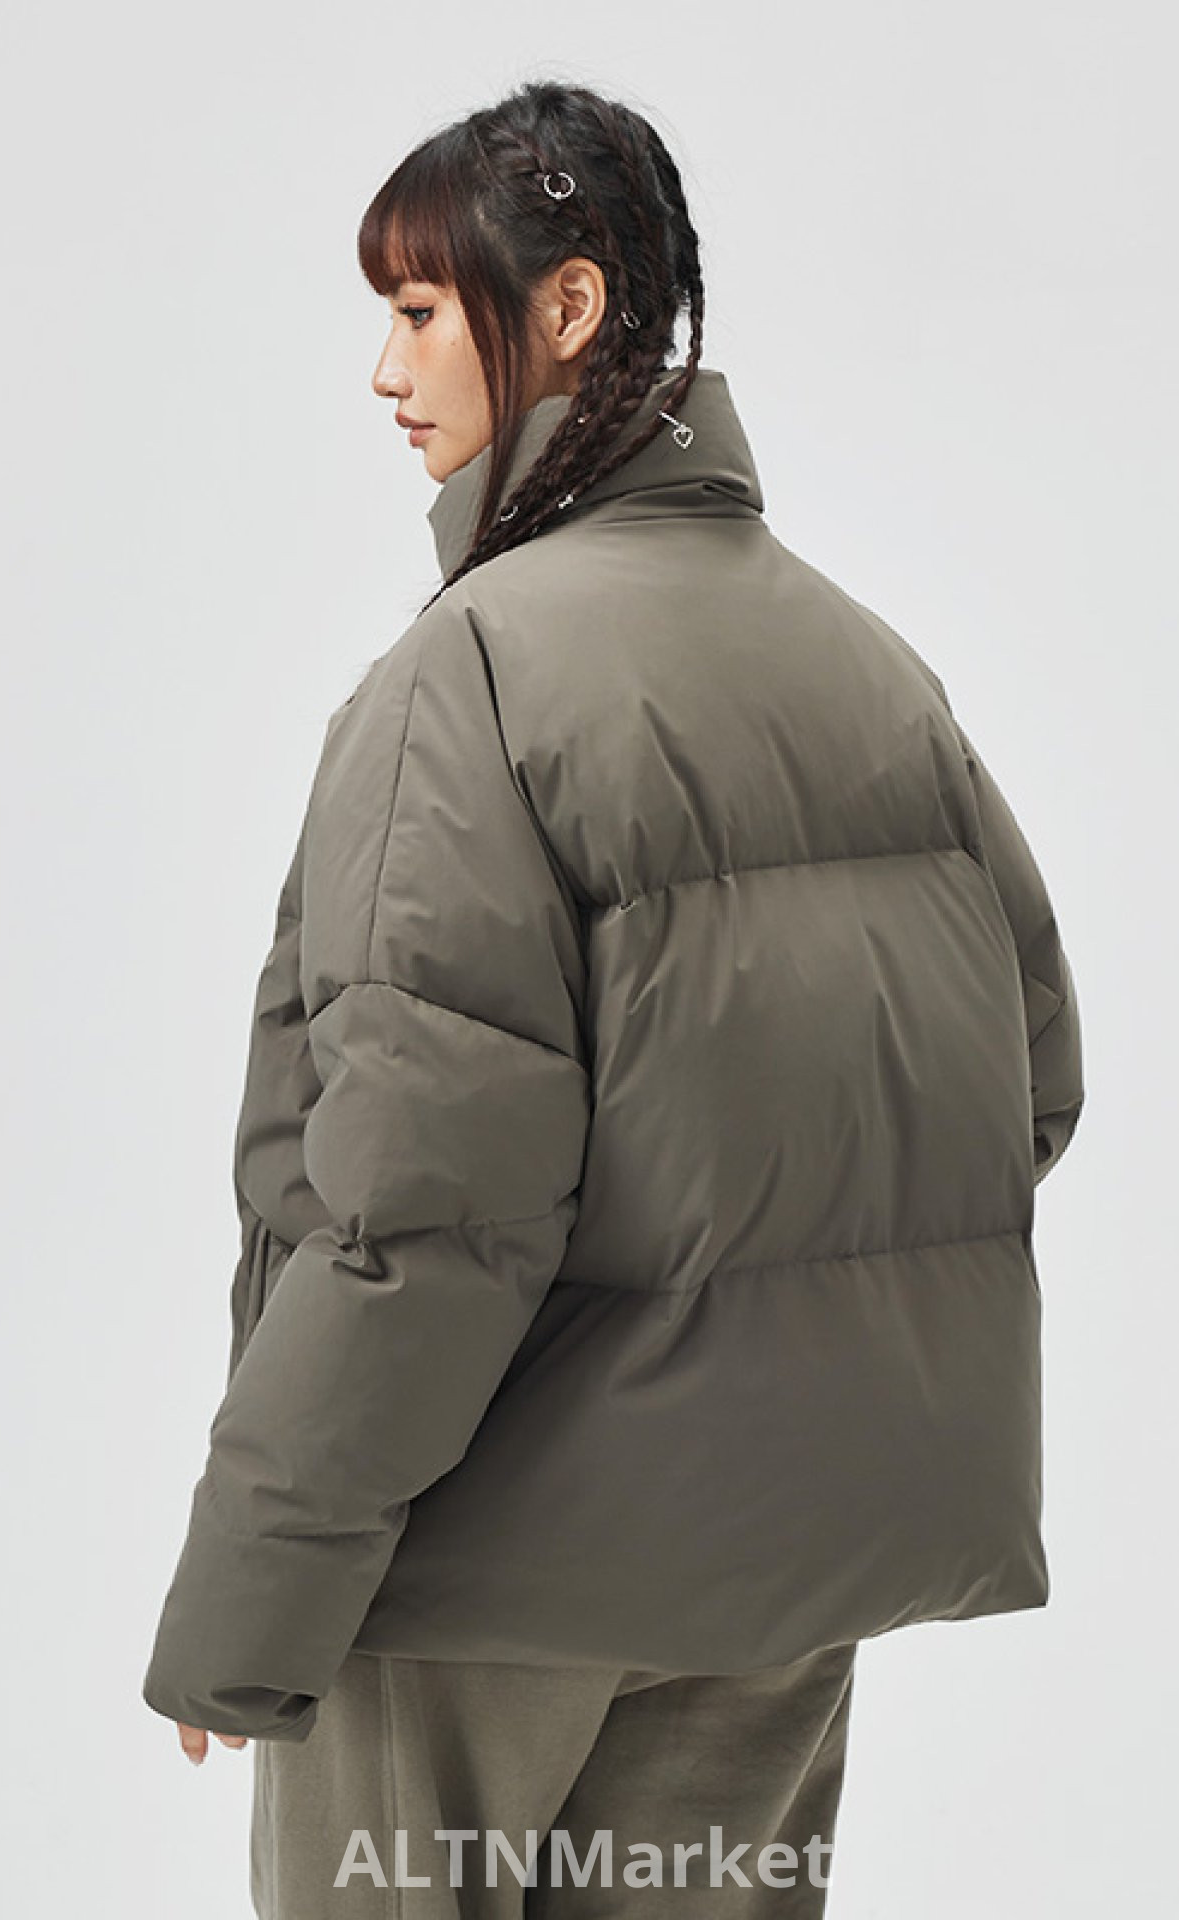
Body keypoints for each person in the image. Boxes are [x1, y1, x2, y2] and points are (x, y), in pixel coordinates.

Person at [142, 78, 1086, 1919]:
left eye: (422, 309)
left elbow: (423, 1214)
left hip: (475, 1591)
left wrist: (250, 1602)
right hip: (785, 1572)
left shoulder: (469, 679)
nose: (386, 368)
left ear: (566, 306)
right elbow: (1020, 1086)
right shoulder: (867, 665)